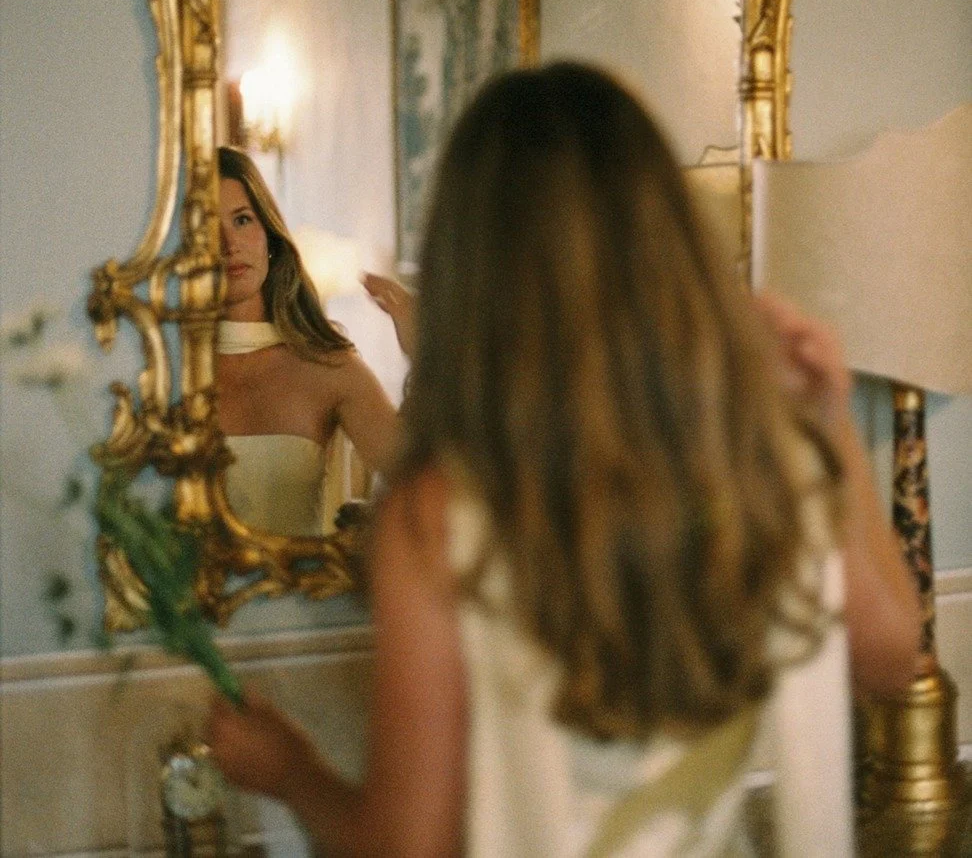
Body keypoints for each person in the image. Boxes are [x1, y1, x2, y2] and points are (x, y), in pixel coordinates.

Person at [208, 65, 919, 855]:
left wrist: (291, 770)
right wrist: (830, 430)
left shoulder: (443, 514)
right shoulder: (747, 461)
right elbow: (890, 659)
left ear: (474, 263)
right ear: (665, 236)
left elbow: (408, 848)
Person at [216, 146, 408, 536]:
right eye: (206, 228)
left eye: (242, 220)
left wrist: (424, 354)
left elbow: (422, 480)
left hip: (297, 593)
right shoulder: (163, 370)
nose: (228, 244)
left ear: (269, 234)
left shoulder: (327, 366)